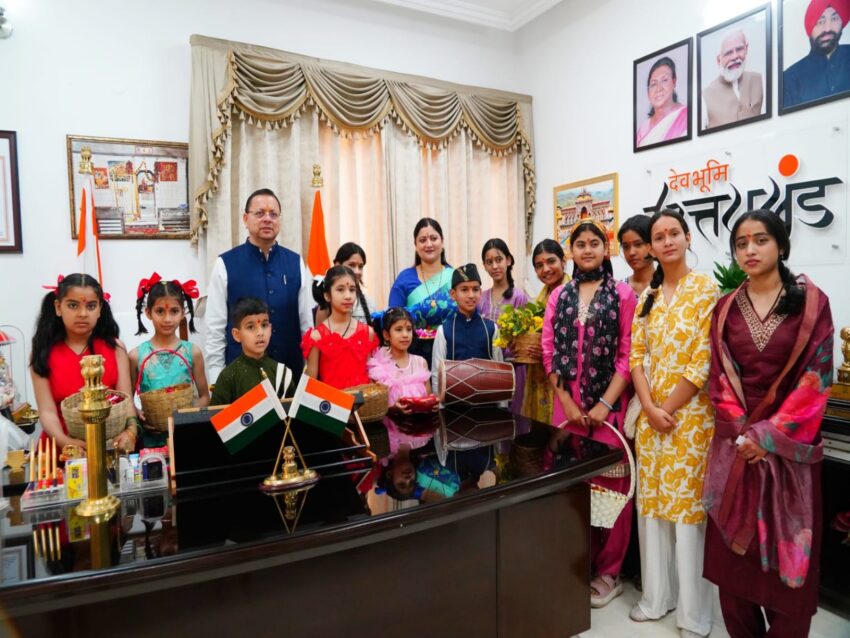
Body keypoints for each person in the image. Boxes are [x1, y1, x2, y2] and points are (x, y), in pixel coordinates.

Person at [703, 210, 833, 637]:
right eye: (741, 243)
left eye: (761, 240)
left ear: (781, 245)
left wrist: (767, 436)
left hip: (789, 452)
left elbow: (817, 377)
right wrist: (743, 433)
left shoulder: (812, 304)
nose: (750, 250)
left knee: (789, 571)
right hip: (736, 448)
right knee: (733, 574)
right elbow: (718, 378)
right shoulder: (725, 309)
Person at [629, 209, 719, 638]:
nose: (666, 241)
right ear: (651, 246)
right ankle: (656, 598)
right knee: (652, 510)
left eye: (673, 234)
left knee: (686, 514)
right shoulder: (647, 296)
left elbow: (703, 360)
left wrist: (666, 407)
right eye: (659, 236)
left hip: (691, 420)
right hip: (652, 421)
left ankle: (692, 613)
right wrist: (649, 407)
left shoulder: (706, 290)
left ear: (687, 238)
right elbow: (636, 356)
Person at [542, 220, 637, 608]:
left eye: (593, 243)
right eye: (579, 244)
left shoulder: (623, 294)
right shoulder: (559, 296)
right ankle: (577, 561)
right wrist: (566, 401)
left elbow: (628, 353)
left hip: (607, 412)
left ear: (605, 249)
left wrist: (605, 404)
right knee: (572, 490)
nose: (586, 249)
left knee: (612, 492)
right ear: (571, 251)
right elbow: (549, 350)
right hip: (566, 411)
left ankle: (609, 572)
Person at [205, 188, 313, 384]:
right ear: (246, 219)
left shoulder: (295, 262)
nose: (267, 219)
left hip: (289, 376)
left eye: (273, 214)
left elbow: (307, 326)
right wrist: (216, 383)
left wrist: (309, 374)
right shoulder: (225, 264)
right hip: (241, 380)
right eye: (260, 213)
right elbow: (215, 330)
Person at [30, 274, 139, 452]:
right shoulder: (42, 353)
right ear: (58, 307)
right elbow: (47, 412)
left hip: (111, 445)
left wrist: (131, 432)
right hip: (61, 449)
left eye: (91, 306)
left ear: (100, 309)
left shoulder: (116, 348)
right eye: (73, 305)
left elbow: (126, 401)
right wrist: (65, 442)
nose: (82, 314)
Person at [130, 274, 210, 447]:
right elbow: (128, 400)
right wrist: (138, 414)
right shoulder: (136, 356)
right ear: (148, 313)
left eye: (174, 311)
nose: (167, 319)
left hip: (187, 439)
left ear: (183, 313)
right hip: (152, 443)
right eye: (160, 311)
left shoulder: (193, 352)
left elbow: (204, 396)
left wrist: (189, 416)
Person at [387, 218, 455, 363]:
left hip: (452, 352)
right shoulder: (404, 279)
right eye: (423, 240)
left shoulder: (455, 277)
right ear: (416, 245)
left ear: (442, 241)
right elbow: (392, 320)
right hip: (413, 357)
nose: (429, 244)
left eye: (433, 238)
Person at [431, 264, 503, 393]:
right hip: (453, 403)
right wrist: (439, 402)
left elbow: (500, 373)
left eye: (475, 289)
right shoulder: (444, 331)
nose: (471, 295)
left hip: (487, 402)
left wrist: (501, 403)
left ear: (480, 292)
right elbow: (437, 373)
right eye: (464, 290)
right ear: (453, 294)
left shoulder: (491, 328)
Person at [303, 265, 378, 389]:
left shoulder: (367, 332)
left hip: (363, 399)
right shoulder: (317, 336)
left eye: (352, 290)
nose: (348, 296)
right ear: (327, 296)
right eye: (340, 289)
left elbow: (371, 376)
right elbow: (311, 385)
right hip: (330, 400)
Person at [479, 238, 529, 414]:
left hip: (513, 370)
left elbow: (524, 340)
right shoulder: (481, 298)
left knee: (512, 419)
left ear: (508, 260)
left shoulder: (519, 297)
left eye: (499, 259)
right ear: (484, 266)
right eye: (489, 262)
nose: (494, 266)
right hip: (486, 369)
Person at [521, 239, 569, 423]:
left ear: (563, 261)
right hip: (540, 376)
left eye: (551, 261)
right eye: (539, 265)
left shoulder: (575, 293)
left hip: (565, 377)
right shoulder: (539, 299)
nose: (546, 269)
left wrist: (549, 353)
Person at [210, 297, 289, 405]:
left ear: (270, 329)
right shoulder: (228, 377)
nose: (260, 333)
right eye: (251, 327)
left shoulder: (282, 372)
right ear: (237, 335)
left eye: (264, 325)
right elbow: (217, 414)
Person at [783, 0, 850, 109]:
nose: (828, 28)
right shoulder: (789, 79)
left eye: (834, 19)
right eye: (820, 21)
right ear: (809, 28)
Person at [367, 307, 434, 413]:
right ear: (386, 335)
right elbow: (374, 408)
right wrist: (393, 409)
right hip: (391, 422)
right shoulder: (377, 367)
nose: (405, 335)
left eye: (409, 329)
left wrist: (432, 404)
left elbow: (428, 398)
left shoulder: (421, 362)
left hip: (421, 422)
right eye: (399, 329)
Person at [702, 30, 764, 129]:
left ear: (746, 49)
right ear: (718, 60)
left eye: (739, 49)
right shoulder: (704, 96)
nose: (735, 56)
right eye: (728, 53)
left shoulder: (760, 80)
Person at [316, 242, 376, 325]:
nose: (357, 271)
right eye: (352, 265)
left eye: (360, 266)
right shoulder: (326, 305)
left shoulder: (370, 304)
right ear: (337, 265)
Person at [636, 57, 689, 148]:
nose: (658, 88)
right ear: (648, 92)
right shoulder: (642, 129)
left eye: (664, 80)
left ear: (674, 82)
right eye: (653, 84)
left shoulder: (687, 116)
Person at [618, 215, 656, 298]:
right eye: (626, 247)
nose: (631, 253)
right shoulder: (618, 290)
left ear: (652, 245)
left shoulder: (670, 285)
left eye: (638, 244)